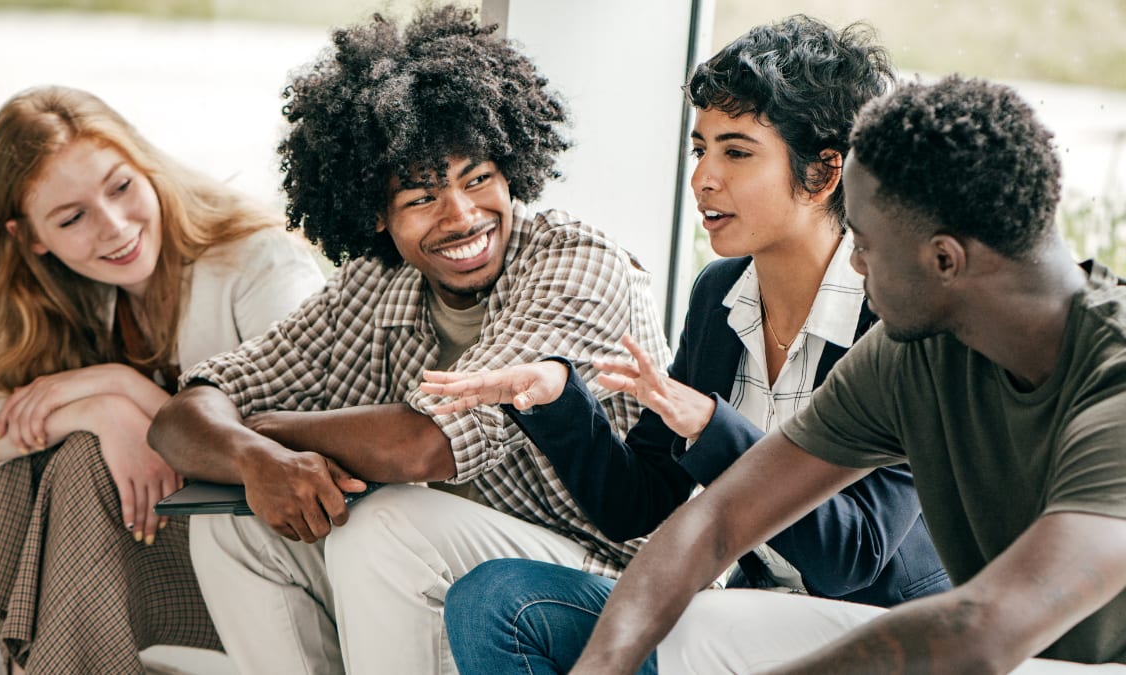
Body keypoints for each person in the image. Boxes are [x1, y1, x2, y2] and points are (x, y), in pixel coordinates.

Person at [145, 6, 669, 674]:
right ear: (377, 215)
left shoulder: (576, 263)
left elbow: (429, 442)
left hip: (618, 580)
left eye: (478, 178)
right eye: (422, 197)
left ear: (513, 170)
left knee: (383, 524)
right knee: (235, 524)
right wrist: (254, 458)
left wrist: (269, 428)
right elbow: (184, 413)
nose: (463, 215)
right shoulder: (370, 284)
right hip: (463, 568)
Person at [423, 16, 949, 674]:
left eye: (736, 151)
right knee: (493, 601)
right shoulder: (720, 295)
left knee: (688, 624)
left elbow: (855, 555)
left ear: (821, 174)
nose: (703, 177)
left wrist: (710, 427)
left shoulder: (900, 317)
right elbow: (637, 501)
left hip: (875, 632)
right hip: (748, 613)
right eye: (700, 148)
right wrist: (559, 399)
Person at [560, 75, 1126, 674]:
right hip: (993, 647)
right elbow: (718, 519)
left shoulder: (1113, 382)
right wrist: (602, 666)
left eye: (863, 244)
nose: (853, 264)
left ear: (944, 260)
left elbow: (979, 633)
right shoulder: (915, 352)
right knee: (702, 626)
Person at [0, 86, 326, 674]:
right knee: (40, 458)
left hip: (274, 551)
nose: (114, 227)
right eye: (72, 217)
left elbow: (294, 440)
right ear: (31, 237)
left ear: (147, 166)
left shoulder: (257, 262)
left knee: (73, 460)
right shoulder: (67, 297)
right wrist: (97, 413)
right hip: (155, 553)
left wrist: (127, 390)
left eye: (121, 186)